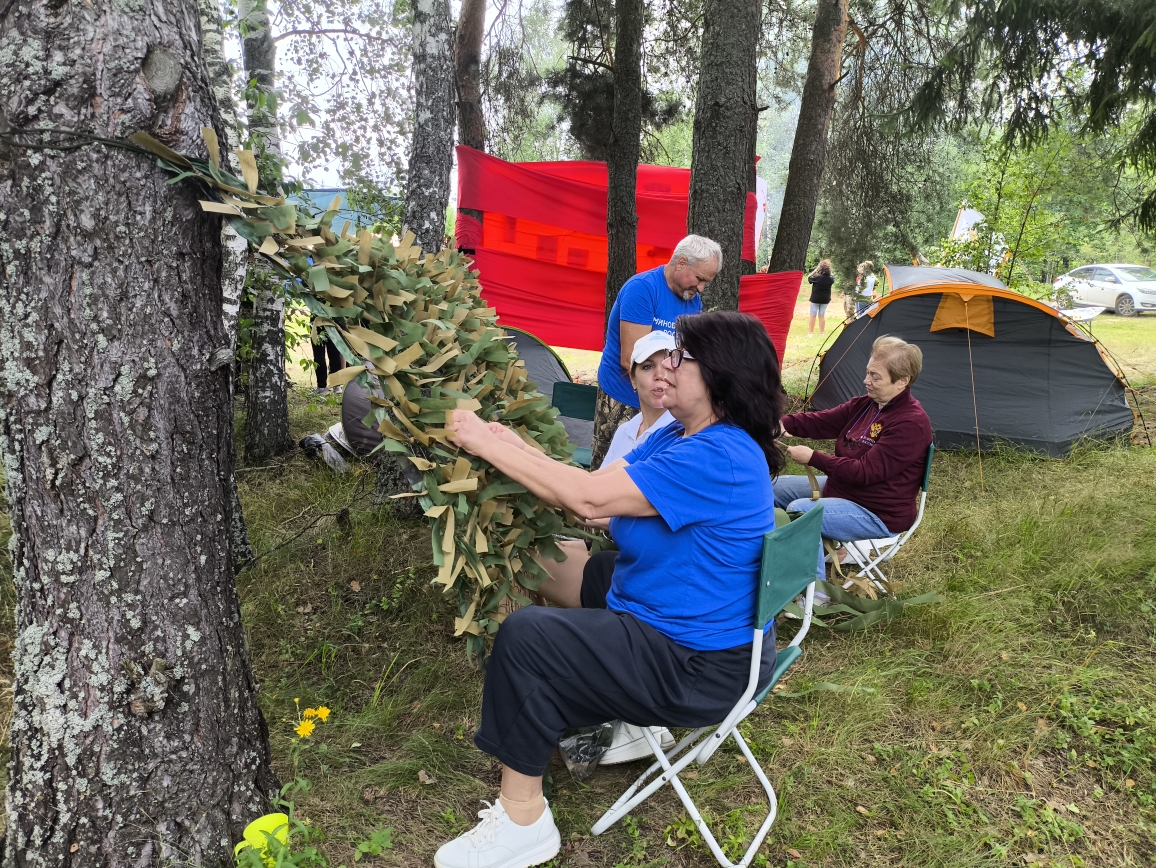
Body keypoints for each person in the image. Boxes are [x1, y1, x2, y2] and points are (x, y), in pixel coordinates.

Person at [437, 311, 787, 868]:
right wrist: (508, 443)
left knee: (529, 638)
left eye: (681, 357)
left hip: (702, 667)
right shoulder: (679, 433)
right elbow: (597, 492)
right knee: (584, 565)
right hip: (699, 634)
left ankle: (523, 822)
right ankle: (568, 702)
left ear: (720, 374)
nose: (666, 367)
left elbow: (588, 501)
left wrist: (481, 439)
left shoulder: (717, 456)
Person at [773, 336, 932, 573]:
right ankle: (766, 558)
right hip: (845, 489)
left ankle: (814, 588)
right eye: (868, 372)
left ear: (902, 381)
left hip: (878, 511)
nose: (866, 381)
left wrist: (813, 458)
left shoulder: (911, 423)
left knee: (802, 511)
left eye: (875, 377)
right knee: (773, 488)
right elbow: (823, 422)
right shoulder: (866, 405)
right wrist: (781, 424)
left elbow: (865, 472)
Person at [592, 235, 722, 468]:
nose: (701, 288)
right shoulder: (642, 290)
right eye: (699, 278)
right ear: (681, 262)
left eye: (706, 282)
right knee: (611, 467)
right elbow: (631, 359)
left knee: (650, 471)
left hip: (663, 397)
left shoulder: (692, 300)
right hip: (624, 396)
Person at [600, 331, 677, 468]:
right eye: (648, 367)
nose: (660, 375)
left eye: (668, 366)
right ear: (632, 378)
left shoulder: (684, 434)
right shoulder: (624, 431)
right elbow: (599, 478)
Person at [311, 321, 345, 396]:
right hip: (332, 323)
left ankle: (323, 387)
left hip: (320, 323)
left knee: (320, 355)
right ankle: (335, 386)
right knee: (334, 355)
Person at [807, 260, 834, 337]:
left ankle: (810, 333)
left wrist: (815, 270)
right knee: (822, 315)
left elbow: (809, 278)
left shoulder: (816, 277)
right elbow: (832, 277)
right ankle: (822, 333)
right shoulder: (831, 278)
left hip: (815, 298)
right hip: (825, 299)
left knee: (813, 315)